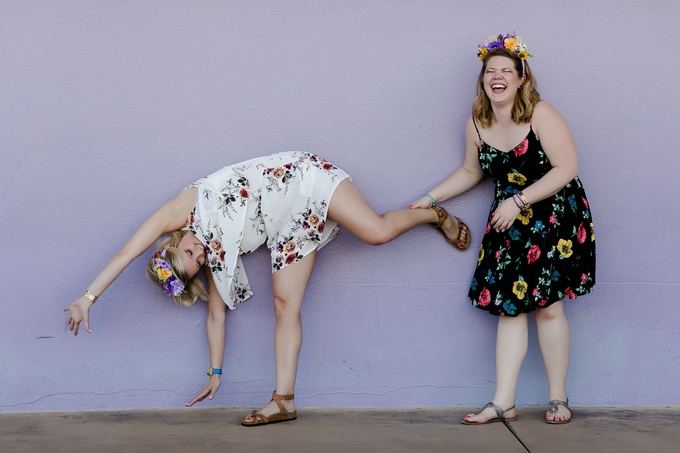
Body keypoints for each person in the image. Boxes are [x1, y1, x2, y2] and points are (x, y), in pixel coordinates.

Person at [64, 151, 470, 426]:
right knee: (283, 306)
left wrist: (88, 298)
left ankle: (432, 215)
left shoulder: (178, 210)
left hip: (299, 180)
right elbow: (216, 316)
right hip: (286, 227)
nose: (202, 254)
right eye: (199, 263)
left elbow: (125, 252)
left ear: (173, 243)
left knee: (376, 232)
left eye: (191, 250)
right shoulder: (214, 258)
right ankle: (284, 401)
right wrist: (215, 373)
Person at [410, 33, 595, 424]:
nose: (497, 76)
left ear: (521, 78)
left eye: (505, 71)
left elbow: (567, 168)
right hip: (509, 222)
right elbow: (469, 172)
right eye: (489, 71)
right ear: (483, 80)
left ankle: (558, 398)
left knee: (548, 309)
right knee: (509, 310)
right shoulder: (477, 123)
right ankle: (502, 402)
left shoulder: (541, 113)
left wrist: (519, 201)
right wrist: (430, 197)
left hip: (554, 217)